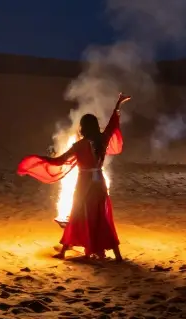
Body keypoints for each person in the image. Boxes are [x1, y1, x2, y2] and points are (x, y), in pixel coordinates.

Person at [17, 93, 130, 261]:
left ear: (83, 127)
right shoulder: (102, 140)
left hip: (85, 182)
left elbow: (59, 161)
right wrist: (118, 105)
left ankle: (64, 252)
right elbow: (112, 125)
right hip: (99, 181)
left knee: (77, 213)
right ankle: (117, 255)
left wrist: (36, 162)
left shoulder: (79, 145)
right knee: (102, 216)